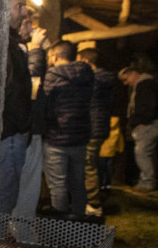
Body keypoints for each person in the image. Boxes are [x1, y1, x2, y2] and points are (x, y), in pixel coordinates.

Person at [42, 41, 93, 218]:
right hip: (80, 136)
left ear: (55, 56)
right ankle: (79, 222)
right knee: (78, 182)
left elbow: (46, 105)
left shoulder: (52, 75)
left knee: (58, 185)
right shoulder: (87, 74)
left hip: (56, 136)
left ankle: (60, 228)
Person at [0, 0, 33, 213]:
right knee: (4, 198)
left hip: (7, 130)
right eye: (19, 6)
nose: (25, 11)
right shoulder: (4, 44)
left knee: (3, 197)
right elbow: (14, 90)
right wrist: (22, 126)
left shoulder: (8, 41)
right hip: (9, 133)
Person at [11, 13, 48, 222]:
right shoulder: (22, 51)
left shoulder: (23, 50)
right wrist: (36, 50)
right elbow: (31, 84)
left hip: (30, 124)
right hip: (21, 126)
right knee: (23, 182)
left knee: (28, 182)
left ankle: (22, 225)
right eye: (26, 23)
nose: (31, 28)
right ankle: (18, 228)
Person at [76, 48, 114, 216]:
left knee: (88, 165)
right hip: (101, 127)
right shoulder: (106, 79)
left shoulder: (92, 80)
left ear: (85, 60)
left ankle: (93, 204)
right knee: (93, 164)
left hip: (91, 127)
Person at [119, 62, 158, 193]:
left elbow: (147, 106)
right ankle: (146, 181)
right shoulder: (145, 84)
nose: (125, 83)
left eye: (126, 79)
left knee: (142, 153)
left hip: (147, 125)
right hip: (148, 123)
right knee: (146, 154)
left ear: (134, 74)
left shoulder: (145, 85)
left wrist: (140, 120)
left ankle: (147, 183)